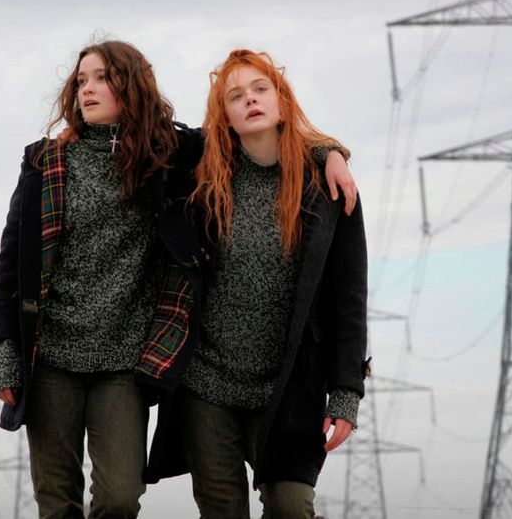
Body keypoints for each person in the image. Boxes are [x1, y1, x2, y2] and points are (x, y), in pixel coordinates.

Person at [0, 40, 359, 518]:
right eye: (81, 81)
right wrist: (4, 351)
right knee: (57, 503)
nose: (88, 89)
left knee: (120, 497)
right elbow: (11, 265)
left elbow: (253, 132)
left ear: (132, 86)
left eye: (102, 78)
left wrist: (330, 151)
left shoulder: (165, 156)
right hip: (52, 357)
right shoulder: (46, 163)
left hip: (127, 359)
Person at [144, 49, 369, 519]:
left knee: (291, 506)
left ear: (282, 101)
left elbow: (348, 298)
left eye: (260, 89)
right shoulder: (202, 178)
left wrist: (346, 392)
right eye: (236, 96)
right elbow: (150, 135)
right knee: (221, 510)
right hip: (206, 385)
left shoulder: (325, 188)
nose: (250, 100)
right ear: (223, 117)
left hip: (289, 389)